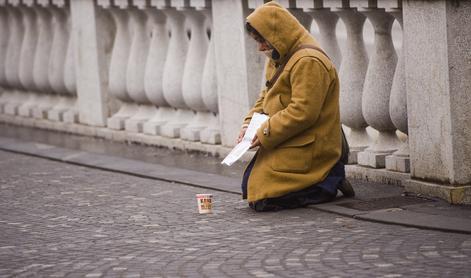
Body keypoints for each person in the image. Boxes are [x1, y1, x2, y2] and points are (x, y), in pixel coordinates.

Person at [238, 1, 354, 212]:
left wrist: (264, 131)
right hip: (293, 137)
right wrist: (248, 125)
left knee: (264, 198)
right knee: (252, 186)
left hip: (311, 143)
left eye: (262, 41)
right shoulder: (279, 54)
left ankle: (329, 179)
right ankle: (327, 180)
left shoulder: (308, 61)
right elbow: (265, 97)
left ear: (275, 35)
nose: (260, 47)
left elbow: (303, 112)